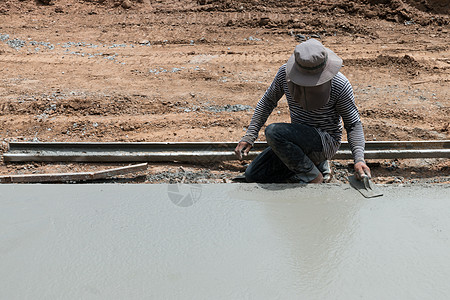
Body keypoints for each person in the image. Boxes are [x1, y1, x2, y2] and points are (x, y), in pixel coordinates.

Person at [234, 39, 371, 183]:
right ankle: (316, 166)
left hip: (325, 142)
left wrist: (359, 159)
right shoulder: (284, 74)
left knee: (274, 132)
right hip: (297, 141)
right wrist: (250, 135)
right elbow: (268, 101)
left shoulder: (339, 84)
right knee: (253, 175)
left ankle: (313, 176)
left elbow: (353, 124)